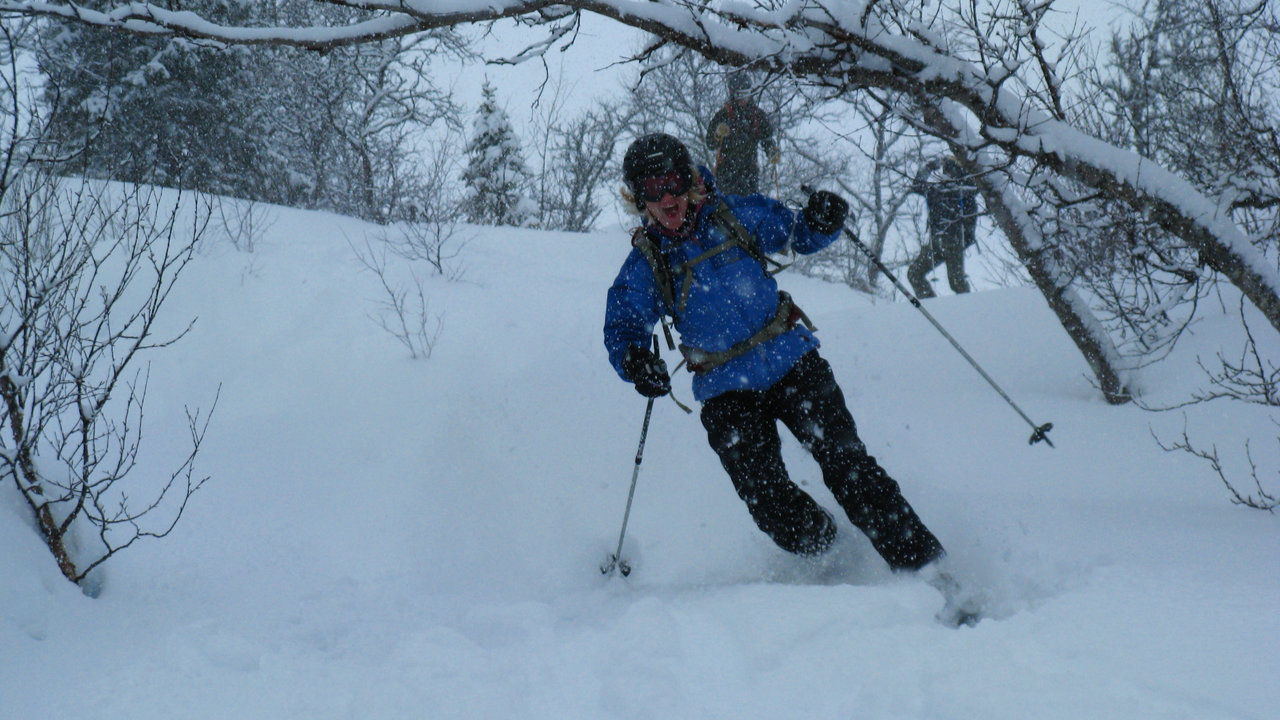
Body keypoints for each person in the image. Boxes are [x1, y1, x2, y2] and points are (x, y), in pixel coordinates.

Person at [603, 133, 950, 580]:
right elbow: (623, 326)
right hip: (727, 391)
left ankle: (930, 573)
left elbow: (797, 233)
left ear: (687, 179)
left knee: (850, 468)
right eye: (653, 189)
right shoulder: (647, 264)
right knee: (767, 502)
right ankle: (837, 556)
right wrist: (635, 361)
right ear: (638, 197)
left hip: (793, 364)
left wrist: (822, 221)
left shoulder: (734, 215)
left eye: (672, 181)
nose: (667, 197)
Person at [906, 157, 980, 298]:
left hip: (954, 242)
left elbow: (918, 186)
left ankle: (969, 310)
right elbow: (917, 186)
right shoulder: (937, 190)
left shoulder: (964, 191)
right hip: (937, 242)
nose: (947, 173)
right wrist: (929, 167)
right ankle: (933, 307)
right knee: (915, 273)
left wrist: (930, 167)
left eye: (950, 169)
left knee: (956, 282)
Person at [705, 73, 779, 197]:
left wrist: (771, 150)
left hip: (749, 172)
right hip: (726, 172)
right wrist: (717, 133)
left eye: (747, 94)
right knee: (726, 208)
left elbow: (767, 137)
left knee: (749, 206)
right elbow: (710, 143)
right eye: (740, 95)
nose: (743, 99)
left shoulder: (757, 116)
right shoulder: (723, 115)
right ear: (732, 93)